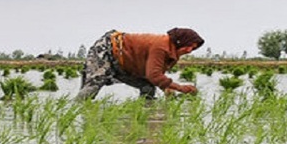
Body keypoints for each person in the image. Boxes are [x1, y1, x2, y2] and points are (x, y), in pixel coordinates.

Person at [74, 28, 204, 101]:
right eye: (188, 46)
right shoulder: (161, 46)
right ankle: (74, 111)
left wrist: (167, 88)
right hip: (109, 50)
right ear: (180, 41)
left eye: (193, 48)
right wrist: (180, 88)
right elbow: (154, 75)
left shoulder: (172, 51)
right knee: (94, 84)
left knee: (147, 87)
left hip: (125, 64)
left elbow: (155, 72)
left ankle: (145, 116)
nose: (189, 51)